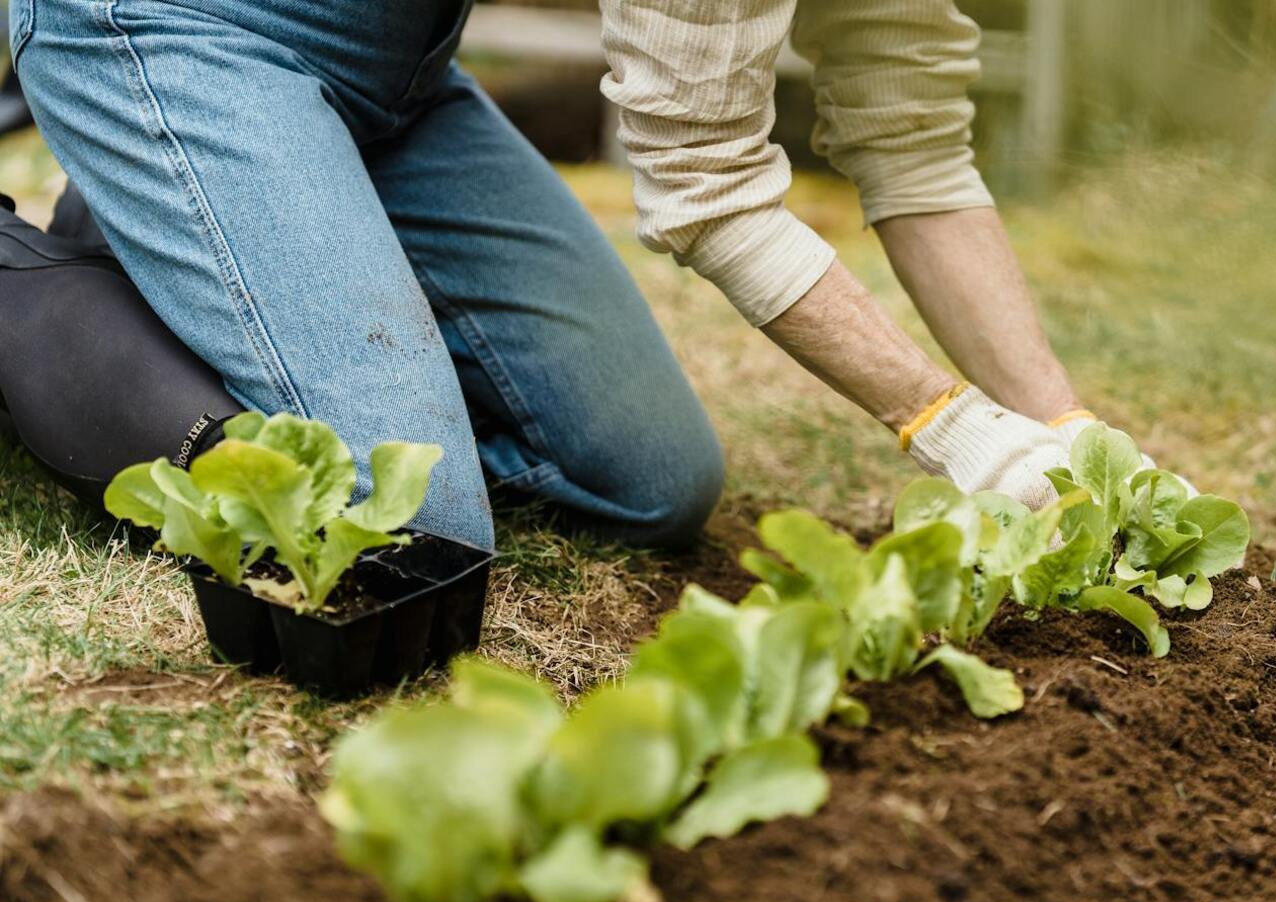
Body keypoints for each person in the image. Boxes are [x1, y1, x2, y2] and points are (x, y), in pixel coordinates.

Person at [4, 0, 1133, 552]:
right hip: (181, 20)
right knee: (407, 534)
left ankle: (173, 210)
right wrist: (951, 426)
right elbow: (708, 183)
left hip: (390, 67)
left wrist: (1062, 424)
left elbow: (914, 139)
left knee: (649, 482)